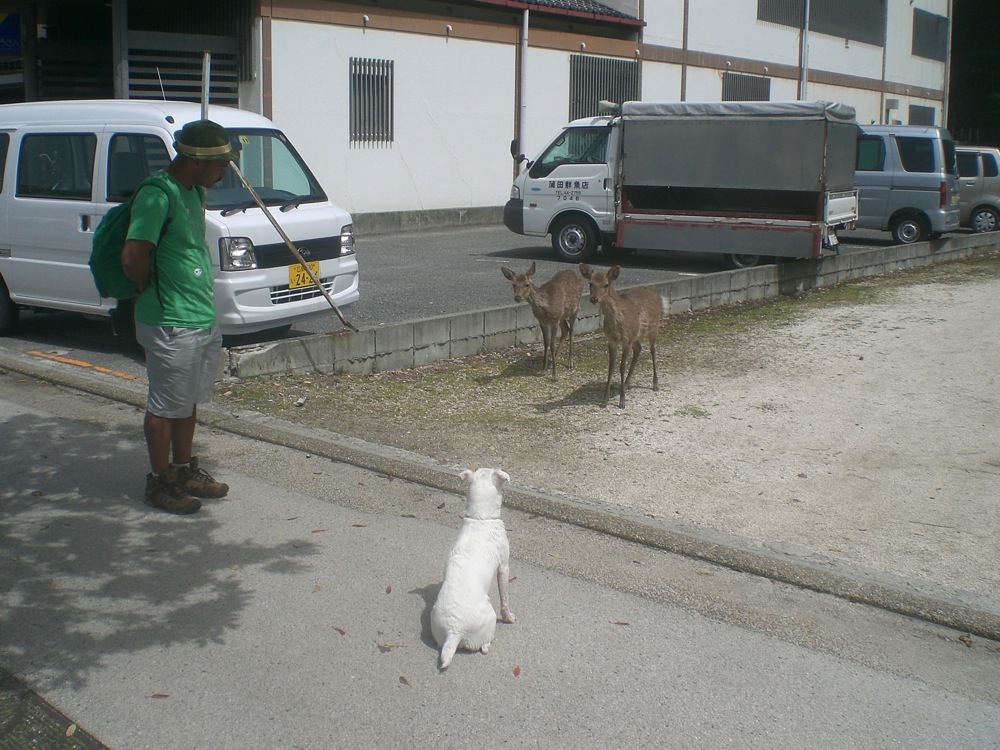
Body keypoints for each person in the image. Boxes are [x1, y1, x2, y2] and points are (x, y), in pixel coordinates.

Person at [122, 119, 237, 515]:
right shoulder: (158, 194)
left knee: (185, 402)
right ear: (194, 162)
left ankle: (184, 469)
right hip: (170, 319)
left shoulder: (193, 190)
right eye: (221, 164)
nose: (225, 171)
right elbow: (134, 256)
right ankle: (159, 481)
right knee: (163, 405)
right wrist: (145, 287)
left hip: (198, 317)